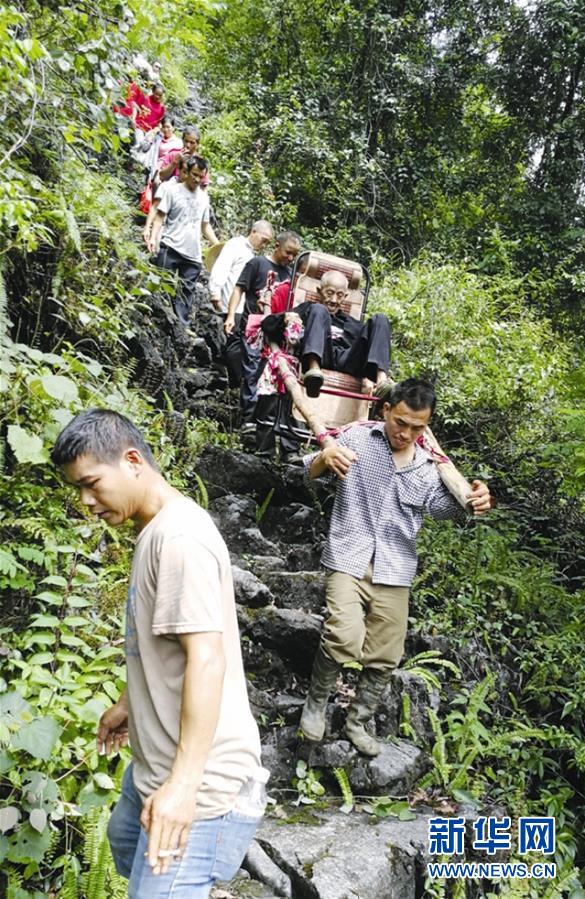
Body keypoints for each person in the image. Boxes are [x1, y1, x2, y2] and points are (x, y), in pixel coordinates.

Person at [50, 409, 267, 899]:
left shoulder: (180, 538)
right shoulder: (155, 529)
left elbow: (206, 658)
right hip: (156, 763)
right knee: (124, 841)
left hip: (203, 783)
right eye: (77, 489)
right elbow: (165, 641)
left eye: (91, 484)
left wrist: (183, 788)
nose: (85, 501)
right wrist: (129, 703)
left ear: (132, 461)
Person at [300, 379, 492, 756]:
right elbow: (308, 471)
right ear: (386, 410)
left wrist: (475, 501)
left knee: (386, 654)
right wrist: (325, 458)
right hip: (348, 557)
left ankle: (357, 722)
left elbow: (446, 509)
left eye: (417, 428)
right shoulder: (356, 437)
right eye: (400, 422)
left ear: (427, 426)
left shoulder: (428, 468)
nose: (405, 433)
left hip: (395, 567)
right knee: (343, 636)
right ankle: (315, 705)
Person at [224, 230, 301, 428]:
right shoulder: (257, 263)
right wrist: (231, 316)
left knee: (271, 373)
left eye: (294, 255)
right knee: (252, 371)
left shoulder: (290, 274)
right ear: (277, 246)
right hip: (253, 328)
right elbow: (239, 289)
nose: (290, 258)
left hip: (276, 332)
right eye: (288, 252)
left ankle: (263, 421)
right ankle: (248, 419)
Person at [148, 156, 219, 328]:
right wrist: (152, 237)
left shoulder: (204, 198)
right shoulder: (172, 191)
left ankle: (181, 328)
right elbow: (160, 217)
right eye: (194, 174)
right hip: (170, 246)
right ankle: (156, 322)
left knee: (187, 292)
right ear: (186, 172)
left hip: (193, 254)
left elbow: (205, 225)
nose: (197, 179)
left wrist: (218, 246)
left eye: (200, 176)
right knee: (161, 286)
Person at [295, 270, 391, 396]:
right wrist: (288, 318)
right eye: (330, 293)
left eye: (340, 295)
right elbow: (272, 323)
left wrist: (368, 376)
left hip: (348, 360)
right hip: (322, 355)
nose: (334, 300)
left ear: (345, 297)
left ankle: (381, 381)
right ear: (319, 291)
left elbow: (372, 344)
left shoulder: (353, 323)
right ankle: (313, 371)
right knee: (319, 309)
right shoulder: (308, 309)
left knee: (380, 319)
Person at [208, 221, 274, 316]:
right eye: (263, 240)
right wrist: (215, 293)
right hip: (226, 306)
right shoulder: (236, 245)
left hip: (240, 309)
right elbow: (221, 268)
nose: (264, 245)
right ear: (253, 232)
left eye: (267, 243)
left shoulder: (252, 254)